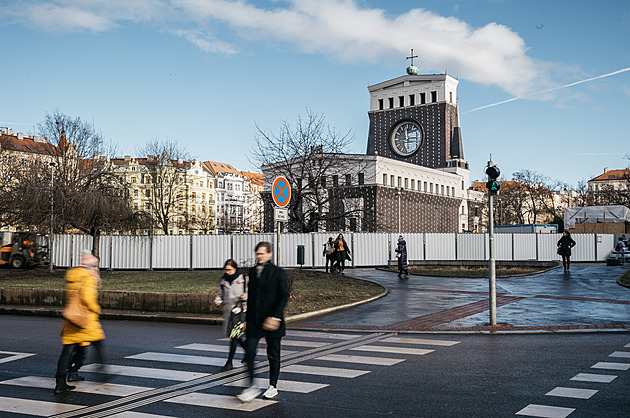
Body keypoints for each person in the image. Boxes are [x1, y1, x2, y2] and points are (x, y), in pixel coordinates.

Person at [237, 242, 290, 403]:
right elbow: (252, 297)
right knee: (250, 352)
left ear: (269, 254)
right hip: (255, 319)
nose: (259, 256)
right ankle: (252, 385)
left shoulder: (278, 273)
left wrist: (275, 316)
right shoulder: (252, 272)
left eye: (261, 253)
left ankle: (273, 386)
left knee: (273, 354)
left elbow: (284, 296)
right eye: (257, 254)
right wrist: (246, 319)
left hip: (273, 320)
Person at [54, 250, 108, 394]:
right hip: (86, 321)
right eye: (95, 266)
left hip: (73, 319)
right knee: (99, 343)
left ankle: (60, 381)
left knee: (67, 351)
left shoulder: (73, 276)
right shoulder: (88, 277)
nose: (97, 268)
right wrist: (96, 308)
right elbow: (87, 297)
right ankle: (103, 372)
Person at [214, 259, 248, 372]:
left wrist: (245, 296)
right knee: (235, 336)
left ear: (235, 268)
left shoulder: (243, 279)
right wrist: (218, 300)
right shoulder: (224, 280)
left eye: (229, 269)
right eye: (226, 270)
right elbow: (220, 294)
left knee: (234, 336)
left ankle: (229, 362)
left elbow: (252, 293)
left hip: (240, 312)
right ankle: (248, 351)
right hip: (229, 312)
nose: (227, 272)